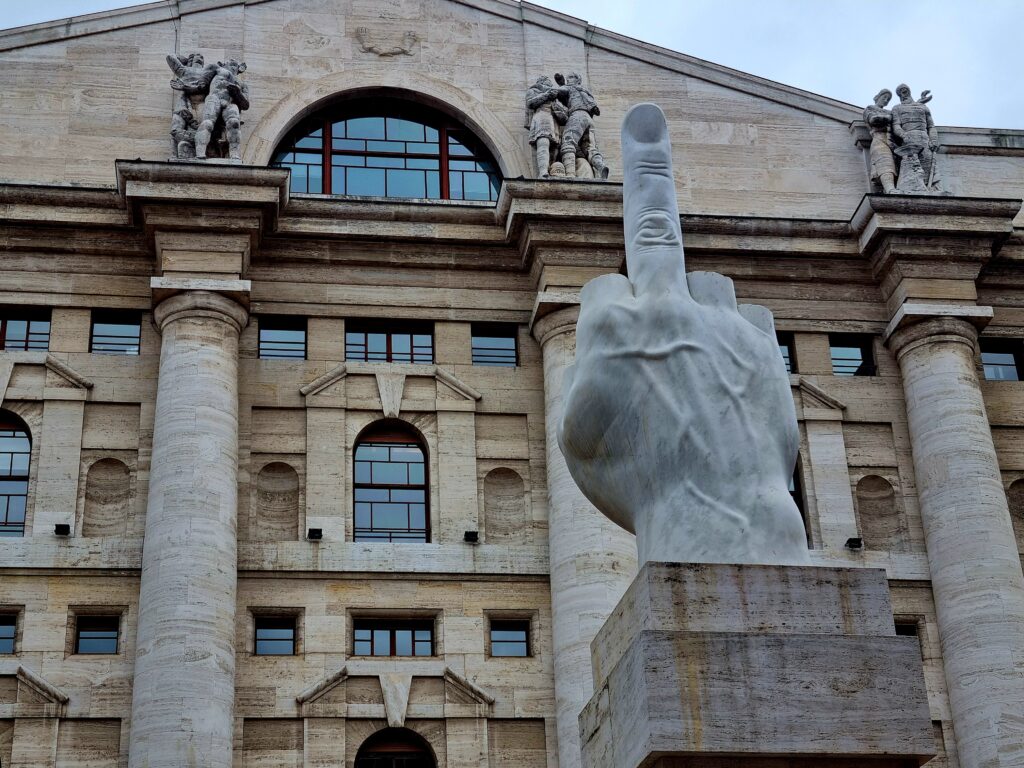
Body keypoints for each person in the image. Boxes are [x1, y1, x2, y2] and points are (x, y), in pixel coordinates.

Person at [553, 72, 608, 179]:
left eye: (571, 77)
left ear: (578, 80)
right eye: (568, 77)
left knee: (568, 142)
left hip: (577, 115)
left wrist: (547, 89)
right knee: (590, 148)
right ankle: (601, 167)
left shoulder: (571, 88)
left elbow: (559, 92)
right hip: (589, 119)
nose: (569, 79)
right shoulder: (584, 91)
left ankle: (570, 175)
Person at [194, 59, 250, 161]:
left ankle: (234, 154)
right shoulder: (218, 69)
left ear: (239, 69)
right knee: (207, 123)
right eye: (231, 64)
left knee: (234, 123)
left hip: (230, 103)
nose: (233, 67)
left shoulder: (242, 84)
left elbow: (246, 105)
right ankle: (200, 152)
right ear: (223, 64)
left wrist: (237, 93)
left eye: (235, 65)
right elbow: (201, 83)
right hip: (214, 98)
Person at [891, 83, 939, 193]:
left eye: (905, 89)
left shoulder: (923, 107)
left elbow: (931, 126)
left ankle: (932, 188)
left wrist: (934, 140)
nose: (904, 91)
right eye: (901, 91)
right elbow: (896, 125)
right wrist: (903, 135)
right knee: (914, 165)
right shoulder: (897, 108)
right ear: (899, 94)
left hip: (924, 137)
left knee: (929, 163)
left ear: (909, 90)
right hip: (909, 137)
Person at [524, 75, 566, 177]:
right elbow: (530, 102)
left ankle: (551, 171)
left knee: (554, 148)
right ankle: (543, 171)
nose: (550, 83)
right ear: (542, 81)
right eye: (548, 81)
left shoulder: (553, 94)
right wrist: (547, 95)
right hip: (542, 115)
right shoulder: (534, 90)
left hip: (553, 119)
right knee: (543, 142)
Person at [863, 89, 897, 194]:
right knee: (885, 163)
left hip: (892, 141)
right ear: (878, 97)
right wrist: (888, 118)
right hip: (879, 139)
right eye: (884, 97)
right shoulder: (870, 109)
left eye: (888, 99)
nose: (886, 100)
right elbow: (873, 119)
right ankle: (890, 189)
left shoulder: (891, 112)